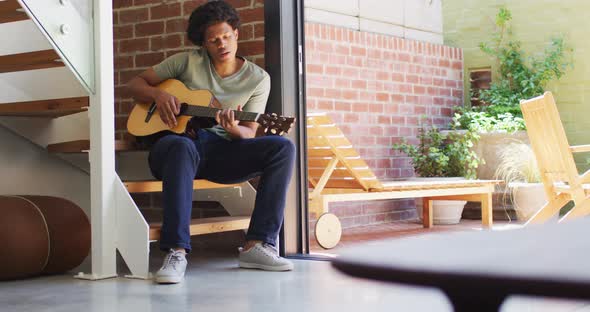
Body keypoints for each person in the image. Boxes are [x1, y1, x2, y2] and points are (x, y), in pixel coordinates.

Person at [126, 0, 295, 284]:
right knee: (180, 146)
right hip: (175, 146)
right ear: (204, 43)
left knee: (283, 148)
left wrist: (231, 129)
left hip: (221, 153)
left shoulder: (257, 78)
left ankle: (258, 245)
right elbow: (134, 85)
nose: (222, 44)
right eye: (214, 40)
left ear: (237, 33)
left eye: (226, 36)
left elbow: (250, 132)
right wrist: (159, 96)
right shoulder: (186, 61)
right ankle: (176, 251)